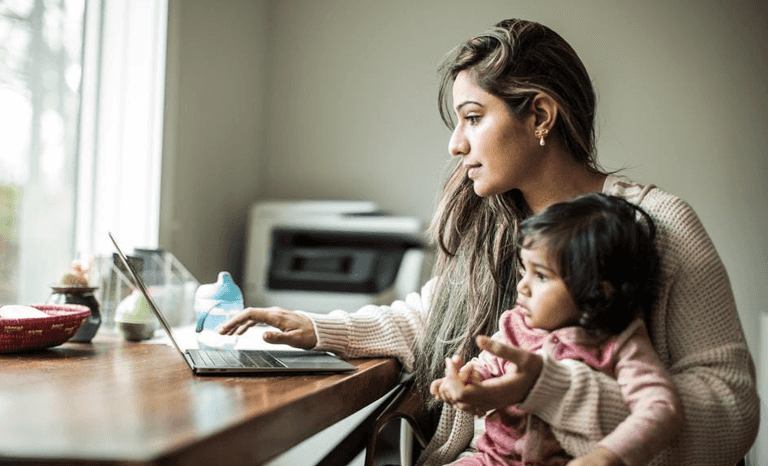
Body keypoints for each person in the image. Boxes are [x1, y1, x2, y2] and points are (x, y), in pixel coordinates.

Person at [220, 18, 759, 465]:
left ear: (541, 116)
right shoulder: (492, 222)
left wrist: (549, 390)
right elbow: (432, 322)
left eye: (473, 118)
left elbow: (732, 410)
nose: (456, 144)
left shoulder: (657, 225)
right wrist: (316, 328)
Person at [430, 193, 683, 466]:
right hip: (492, 461)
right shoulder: (517, 325)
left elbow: (661, 408)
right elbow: (488, 366)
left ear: (598, 290)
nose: (522, 286)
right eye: (524, 270)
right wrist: (468, 380)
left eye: (540, 275)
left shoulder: (621, 343)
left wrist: (607, 457)